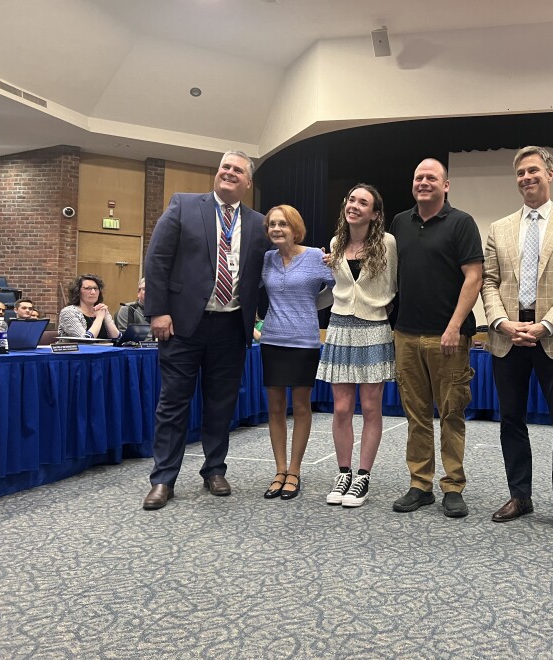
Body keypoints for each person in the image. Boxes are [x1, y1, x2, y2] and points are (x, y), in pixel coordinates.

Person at [142, 150, 271, 510]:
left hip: (231, 326)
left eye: (237, 170)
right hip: (182, 325)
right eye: (224, 167)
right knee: (173, 405)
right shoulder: (183, 205)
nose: (228, 173)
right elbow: (157, 260)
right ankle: (163, 479)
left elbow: (278, 260)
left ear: (248, 182)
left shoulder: (259, 223)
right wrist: (158, 311)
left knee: (220, 405)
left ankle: (214, 469)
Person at [481, 146, 553, 533]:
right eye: (520, 173)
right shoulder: (499, 228)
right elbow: (490, 282)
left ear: (550, 173)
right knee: (512, 420)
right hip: (507, 337)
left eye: (533, 171)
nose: (526, 178)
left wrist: (545, 325)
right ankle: (520, 496)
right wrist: (499, 321)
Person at [389, 158, 483, 518]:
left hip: (449, 338)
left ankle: (453, 485)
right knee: (415, 416)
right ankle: (420, 484)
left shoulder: (461, 223)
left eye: (431, 177)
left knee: (451, 414)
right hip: (407, 336)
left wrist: (454, 327)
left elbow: (473, 277)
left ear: (446, 186)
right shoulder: (400, 222)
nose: (423, 182)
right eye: (418, 177)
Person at [318, 184, 397, 508]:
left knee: (371, 407)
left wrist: (378, 315)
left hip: (373, 327)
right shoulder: (336, 244)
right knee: (340, 408)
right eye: (351, 199)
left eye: (363, 202)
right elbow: (333, 290)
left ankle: (363, 476)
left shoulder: (387, 243)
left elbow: (393, 287)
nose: (354, 205)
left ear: (375, 213)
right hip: (340, 326)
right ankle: (344, 473)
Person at [260, 205, 334, 500]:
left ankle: (295, 470)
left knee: (301, 408)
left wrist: (309, 306)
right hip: (272, 341)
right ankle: (279, 470)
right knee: (275, 408)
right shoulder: (266, 259)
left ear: (295, 228)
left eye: (283, 224)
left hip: (304, 341)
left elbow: (338, 287)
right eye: (272, 225)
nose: (276, 229)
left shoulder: (316, 257)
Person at [58, 274, 121, 339]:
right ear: (78, 291)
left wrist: (106, 317)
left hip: (104, 349)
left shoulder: (101, 310)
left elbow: (117, 338)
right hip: (80, 349)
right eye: (88, 288)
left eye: (96, 288)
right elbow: (85, 339)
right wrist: (99, 318)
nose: (93, 292)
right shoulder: (68, 312)